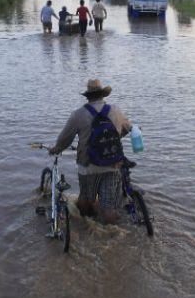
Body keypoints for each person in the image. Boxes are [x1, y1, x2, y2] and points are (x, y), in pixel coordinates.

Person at [49, 79, 132, 224]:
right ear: (102, 95)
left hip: (88, 166)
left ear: (87, 96)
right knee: (108, 208)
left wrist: (56, 149)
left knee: (85, 200)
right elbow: (128, 128)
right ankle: (112, 233)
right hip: (111, 165)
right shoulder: (115, 111)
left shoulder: (78, 114)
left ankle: (85, 225)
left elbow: (65, 139)